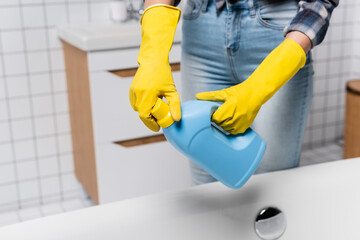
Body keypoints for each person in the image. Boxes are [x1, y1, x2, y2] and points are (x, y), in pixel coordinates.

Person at [129, 0, 339, 186]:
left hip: (279, 34)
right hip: (202, 28)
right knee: (205, 177)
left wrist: (262, 83)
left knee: (271, 180)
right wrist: (152, 54)